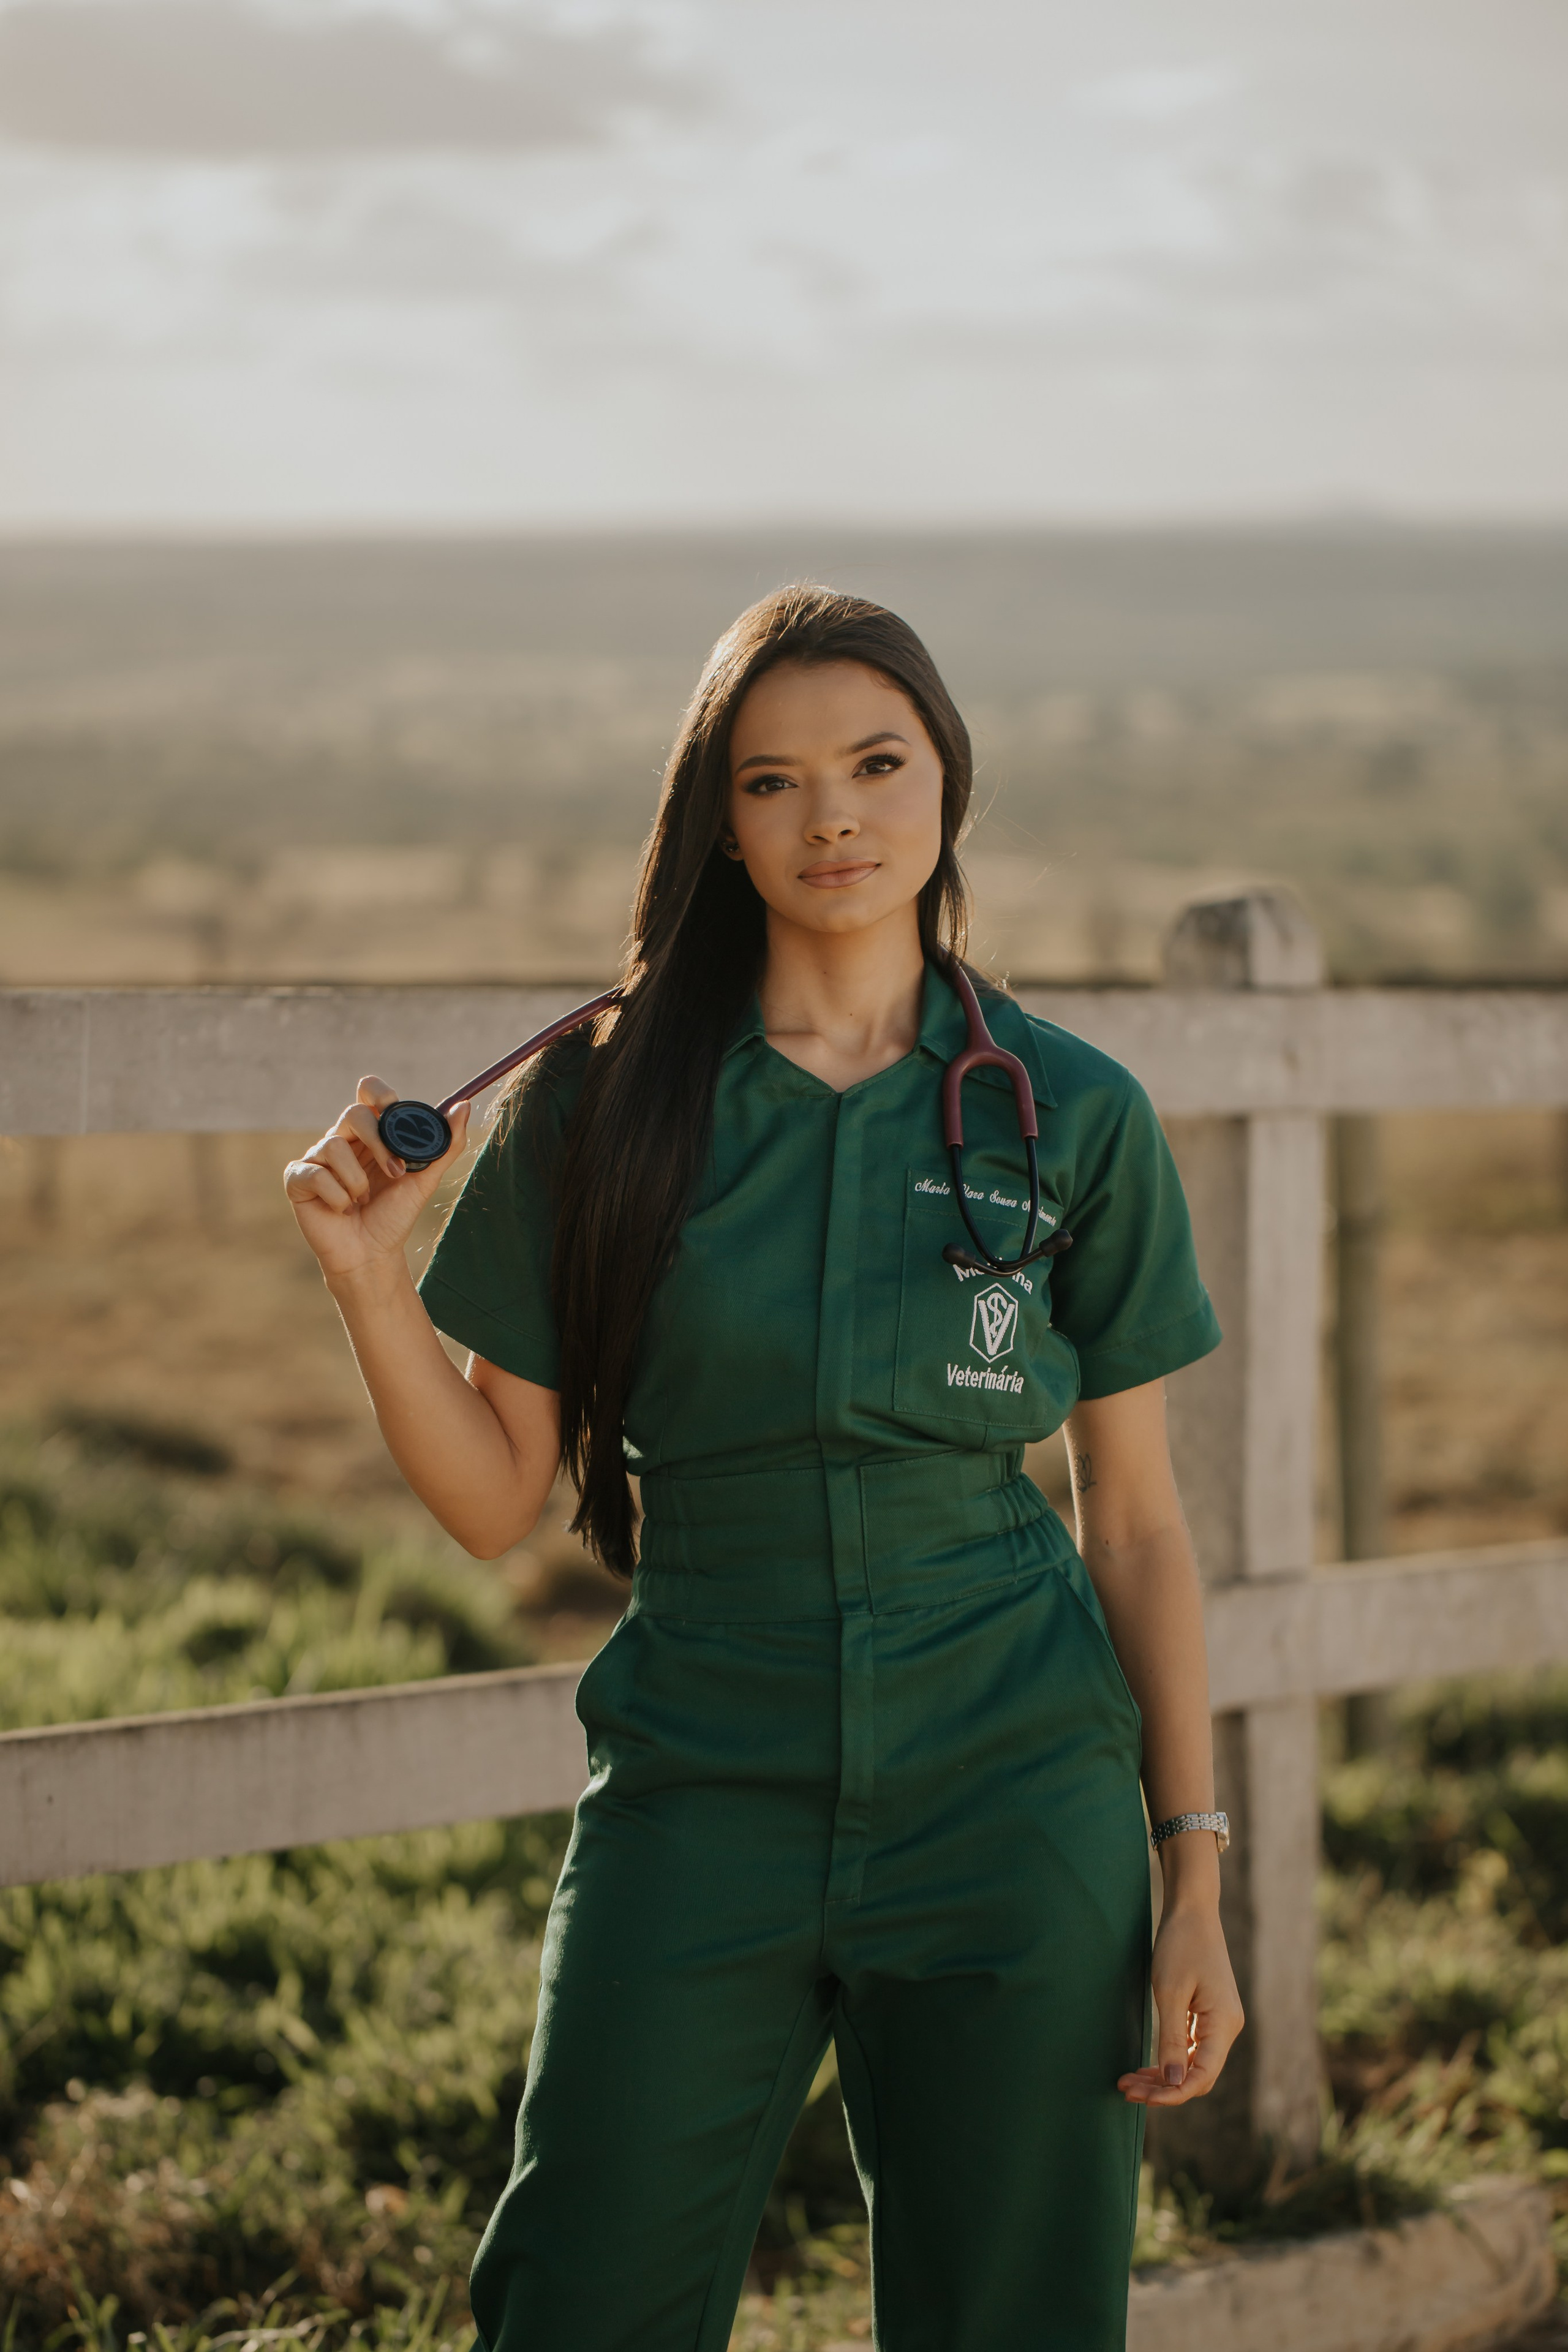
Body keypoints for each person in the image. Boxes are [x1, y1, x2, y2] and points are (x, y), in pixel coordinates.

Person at [284, 585, 1243, 2352]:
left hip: (1016, 1789)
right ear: (715, 820)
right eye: (774, 782)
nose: (836, 820)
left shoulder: (1070, 1108)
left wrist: (1192, 1871)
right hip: (701, 1771)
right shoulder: (606, 1099)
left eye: (878, 765)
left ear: (947, 782)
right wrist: (369, 1281)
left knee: (1016, 2314)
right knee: (580, 2294)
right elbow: (501, 1498)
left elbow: (1142, 1523)